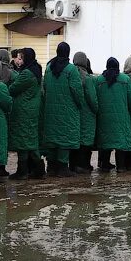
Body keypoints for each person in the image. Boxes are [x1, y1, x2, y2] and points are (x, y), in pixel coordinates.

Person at [41, 42, 85, 177]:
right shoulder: (71, 70)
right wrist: (80, 104)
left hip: (50, 110)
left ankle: (51, 167)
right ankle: (63, 167)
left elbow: (45, 87)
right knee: (65, 138)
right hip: (67, 110)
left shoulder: (49, 67)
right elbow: (77, 91)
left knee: (53, 137)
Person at [8, 48, 44, 180]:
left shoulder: (27, 74)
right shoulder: (36, 69)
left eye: (21, 58)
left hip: (24, 111)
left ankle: (22, 171)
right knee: (30, 139)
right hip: (31, 110)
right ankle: (38, 169)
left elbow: (12, 89)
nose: (18, 60)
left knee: (23, 140)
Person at [94, 57, 131, 172]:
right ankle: (121, 166)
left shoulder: (99, 80)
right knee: (120, 142)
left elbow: (95, 97)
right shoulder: (125, 79)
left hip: (104, 117)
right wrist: (128, 111)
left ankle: (105, 164)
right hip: (121, 116)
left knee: (106, 141)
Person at [72, 51, 98, 173]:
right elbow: (92, 98)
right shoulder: (87, 78)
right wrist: (96, 110)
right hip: (87, 113)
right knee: (86, 139)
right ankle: (83, 165)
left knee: (75, 139)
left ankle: (73, 165)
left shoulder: (69, 74)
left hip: (73, 113)